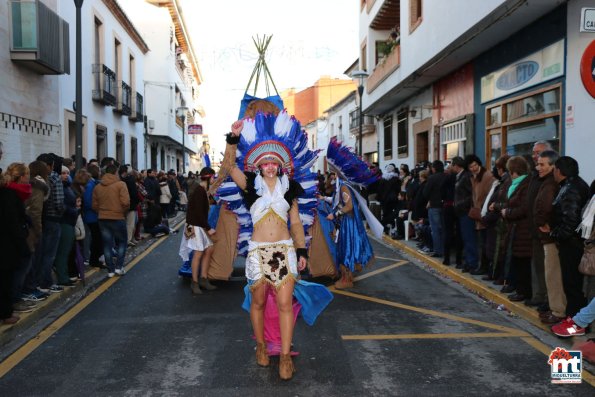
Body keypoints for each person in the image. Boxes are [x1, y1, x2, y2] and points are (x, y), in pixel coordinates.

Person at [215, 107, 332, 380]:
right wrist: (232, 139)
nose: (269, 166)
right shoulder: (248, 186)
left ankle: (285, 358)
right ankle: (261, 346)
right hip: (257, 252)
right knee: (257, 302)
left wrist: (301, 250)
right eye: (264, 162)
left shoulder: (288, 187)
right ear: (258, 165)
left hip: (284, 250)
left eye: (273, 162)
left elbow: (295, 224)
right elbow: (228, 166)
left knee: (283, 304)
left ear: (279, 165)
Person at [325, 137, 383, 289]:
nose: (331, 171)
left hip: (347, 223)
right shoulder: (343, 185)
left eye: (332, 169)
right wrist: (323, 198)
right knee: (345, 249)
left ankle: (347, 280)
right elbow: (339, 201)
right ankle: (346, 277)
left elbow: (348, 206)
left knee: (346, 250)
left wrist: (335, 214)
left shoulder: (344, 186)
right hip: (348, 222)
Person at [546, 156, 590, 318]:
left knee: (572, 284)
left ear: (559, 171)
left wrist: (555, 234)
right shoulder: (572, 185)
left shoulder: (571, 188)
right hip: (573, 242)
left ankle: (575, 321)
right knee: (573, 284)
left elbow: (570, 221)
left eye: (555, 170)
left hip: (572, 244)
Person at [178, 166, 217, 294]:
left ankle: (203, 279)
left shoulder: (202, 190)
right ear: (209, 177)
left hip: (196, 225)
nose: (214, 179)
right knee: (198, 253)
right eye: (213, 177)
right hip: (195, 226)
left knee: (209, 249)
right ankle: (195, 282)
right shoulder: (200, 191)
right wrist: (209, 228)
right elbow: (199, 214)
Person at [92, 164, 130, 277]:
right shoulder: (121, 184)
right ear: (116, 172)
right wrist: (122, 212)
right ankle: (119, 267)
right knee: (122, 242)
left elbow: (94, 205)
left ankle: (110, 270)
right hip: (118, 217)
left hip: (103, 218)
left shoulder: (98, 186)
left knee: (107, 244)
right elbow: (126, 202)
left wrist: (102, 211)